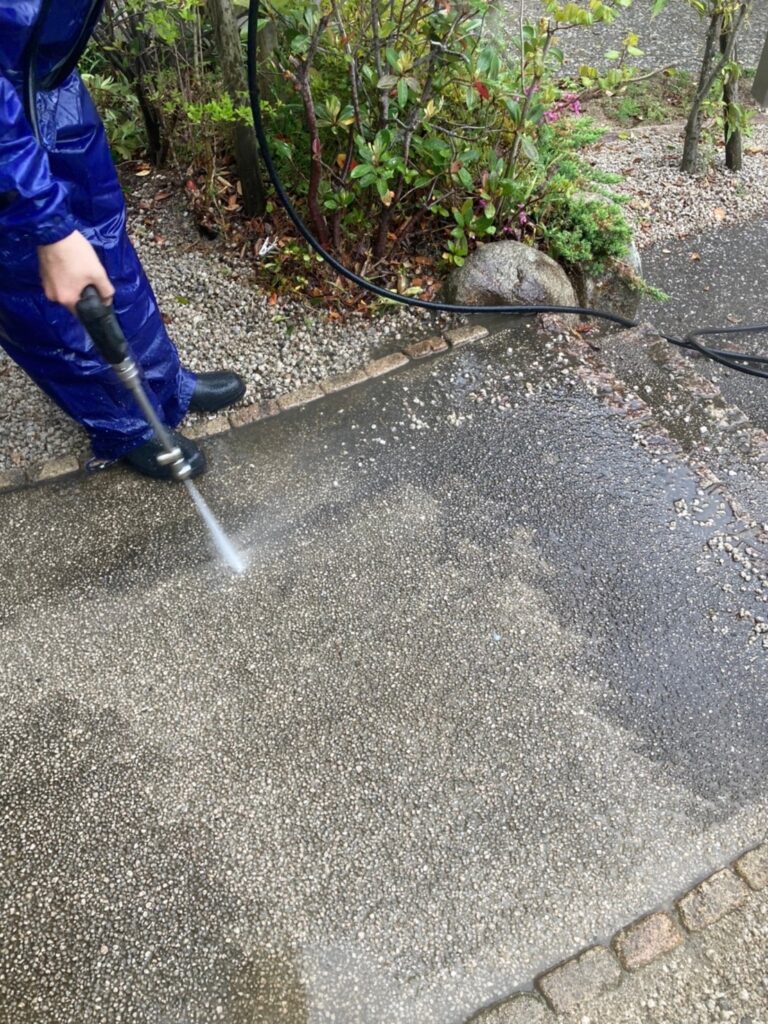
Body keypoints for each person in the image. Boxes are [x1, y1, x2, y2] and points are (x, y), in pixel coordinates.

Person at [0, 0, 245, 480]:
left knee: (106, 248)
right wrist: (46, 225)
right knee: (40, 289)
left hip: (48, 86)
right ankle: (128, 422)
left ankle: (164, 385)